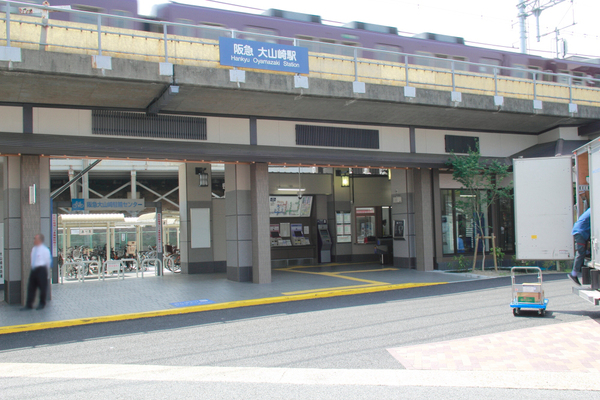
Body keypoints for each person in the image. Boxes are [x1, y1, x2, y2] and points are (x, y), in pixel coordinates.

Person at [22, 234, 52, 310]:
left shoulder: (45, 250)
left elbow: (47, 261)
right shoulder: (34, 249)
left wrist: (46, 273)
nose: (34, 240)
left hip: (41, 269)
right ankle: (29, 305)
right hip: (34, 270)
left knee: (42, 287)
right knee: (31, 287)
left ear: (39, 240)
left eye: (35, 239)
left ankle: (42, 303)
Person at [569, 208, 591, 286]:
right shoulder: (595, 210)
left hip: (581, 231)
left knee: (583, 251)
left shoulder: (593, 209)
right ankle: (573, 274)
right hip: (580, 232)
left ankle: (588, 253)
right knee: (580, 253)